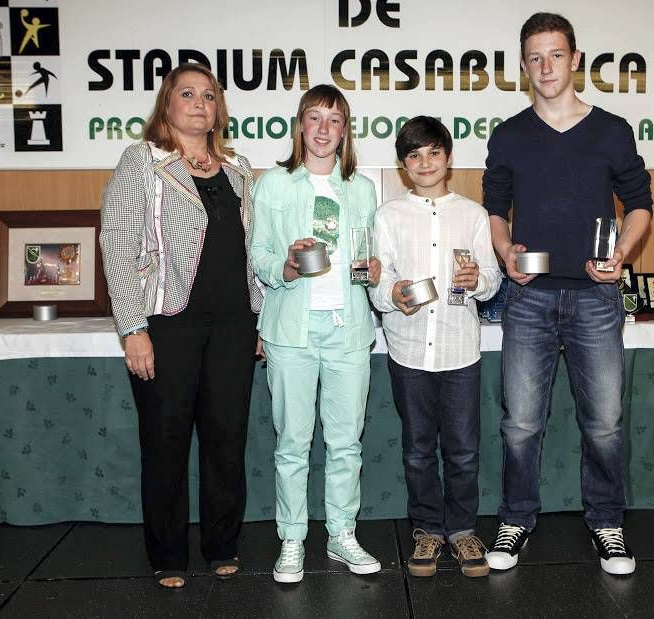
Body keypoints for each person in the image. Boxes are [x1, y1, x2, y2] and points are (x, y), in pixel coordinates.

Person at [482, 12, 653, 576]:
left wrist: (622, 254)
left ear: (576, 60)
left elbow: (641, 206)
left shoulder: (611, 130)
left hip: (596, 300)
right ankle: (516, 518)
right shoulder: (508, 134)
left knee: (604, 422)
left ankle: (607, 521)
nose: (545, 67)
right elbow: (495, 211)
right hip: (527, 301)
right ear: (523, 65)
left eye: (555, 55)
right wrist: (506, 252)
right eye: (534, 57)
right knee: (521, 423)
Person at [99, 63, 263, 589]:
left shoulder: (239, 167)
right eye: (187, 94)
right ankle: (168, 555)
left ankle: (221, 545)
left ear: (219, 109)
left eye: (208, 96)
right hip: (167, 323)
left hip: (234, 325)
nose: (199, 104)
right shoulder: (142, 161)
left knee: (226, 440)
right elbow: (118, 245)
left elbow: (250, 251)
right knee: (166, 440)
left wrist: (259, 317)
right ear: (166, 104)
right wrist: (132, 328)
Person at [251, 84, 382, 583]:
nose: (324, 129)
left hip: (348, 329)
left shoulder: (363, 189)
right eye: (314, 118)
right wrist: (284, 266)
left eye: (334, 119)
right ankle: (292, 538)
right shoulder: (275, 184)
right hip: (291, 331)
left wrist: (372, 268)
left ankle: (342, 535)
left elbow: (372, 260)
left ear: (346, 130)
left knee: (347, 443)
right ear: (300, 125)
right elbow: (259, 254)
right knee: (293, 442)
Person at [369, 116, 501, 578]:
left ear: (448, 156)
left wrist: (478, 280)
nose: (425, 163)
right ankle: (427, 530)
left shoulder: (474, 214)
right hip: (406, 351)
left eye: (433, 153)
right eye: (414, 155)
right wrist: (394, 294)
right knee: (418, 450)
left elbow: (491, 278)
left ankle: (463, 532)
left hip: (459, 350)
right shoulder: (387, 216)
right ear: (404, 166)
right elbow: (377, 282)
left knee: (464, 451)